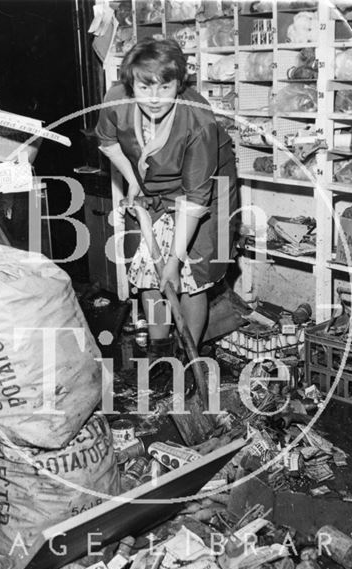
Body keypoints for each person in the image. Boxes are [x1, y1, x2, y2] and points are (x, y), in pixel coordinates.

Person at [95, 37, 238, 381]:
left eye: (166, 85)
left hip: (207, 189)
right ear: (131, 84)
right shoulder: (116, 98)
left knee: (190, 278)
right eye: (145, 86)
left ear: (179, 83)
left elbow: (194, 200)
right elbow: (108, 141)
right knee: (149, 270)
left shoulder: (198, 122)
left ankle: (190, 358)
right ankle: (160, 358)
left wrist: (174, 263)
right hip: (156, 182)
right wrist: (132, 179)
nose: (155, 98)